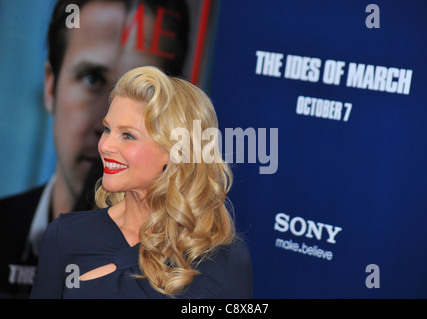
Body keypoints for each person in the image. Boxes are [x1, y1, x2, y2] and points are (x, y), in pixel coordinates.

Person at [0, 0, 190, 298]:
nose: (108, 132)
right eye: (92, 79)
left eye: (144, 97)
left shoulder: (191, 267)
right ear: (51, 87)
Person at [30, 66, 253, 298]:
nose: (105, 146)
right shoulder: (66, 234)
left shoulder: (223, 259)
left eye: (128, 135)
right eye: (107, 129)